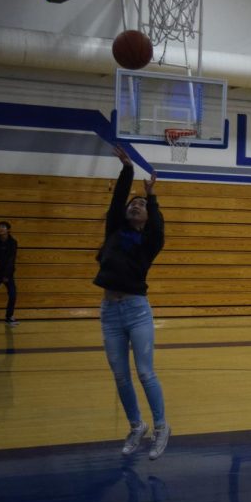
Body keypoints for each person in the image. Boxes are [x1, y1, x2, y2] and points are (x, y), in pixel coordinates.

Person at [95, 146, 170, 458]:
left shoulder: (148, 242)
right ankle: (136, 425)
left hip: (137, 311)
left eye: (141, 205)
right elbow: (117, 201)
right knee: (120, 374)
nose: (135, 205)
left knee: (144, 372)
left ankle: (162, 426)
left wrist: (151, 195)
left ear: (147, 216)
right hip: (110, 312)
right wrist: (127, 169)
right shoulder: (115, 229)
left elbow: (158, 228)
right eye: (133, 203)